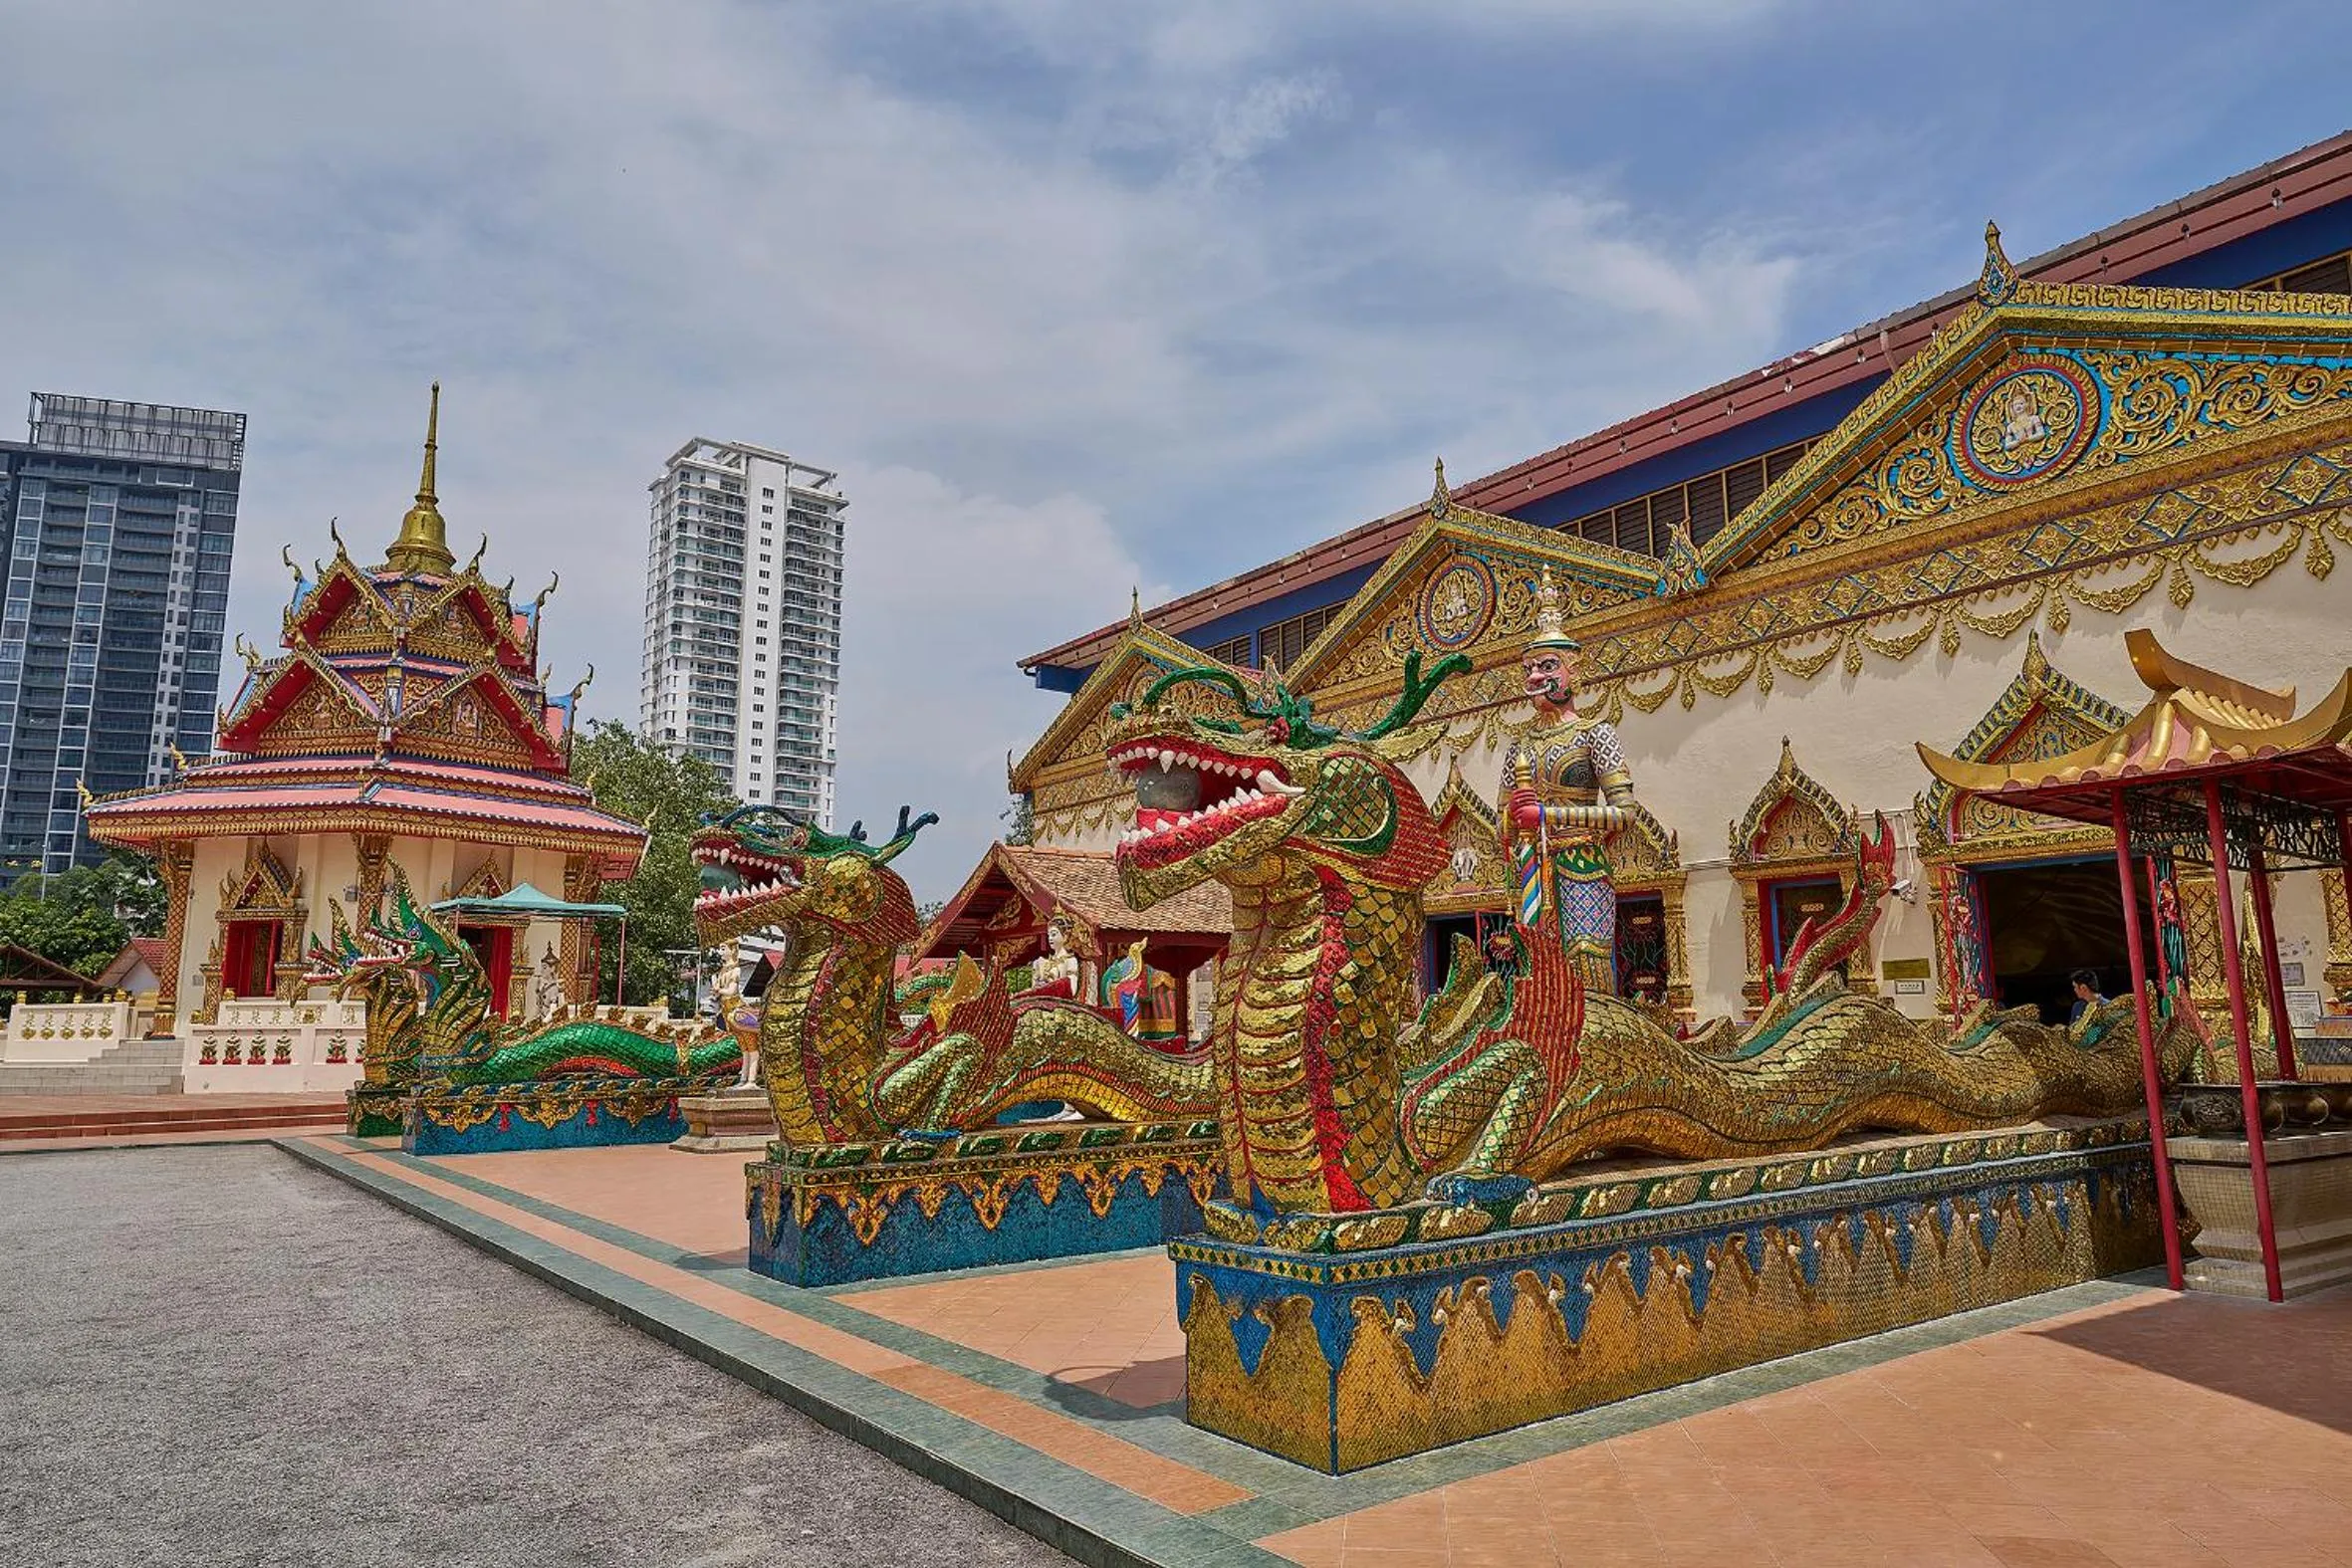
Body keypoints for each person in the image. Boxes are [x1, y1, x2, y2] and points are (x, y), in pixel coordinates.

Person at [1499, 567, 1637, 995]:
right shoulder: (1518, 746)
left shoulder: (1596, 733)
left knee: (1584, 961)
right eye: (1529, 669)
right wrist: (1512, 820)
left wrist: (1547, 814)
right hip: (1530, 871)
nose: (1534, 677)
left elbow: (1625, 814)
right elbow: (1502, 824)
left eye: (1547, 666)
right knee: (1534, 970)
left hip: (1582, 864)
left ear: (1574, 672)